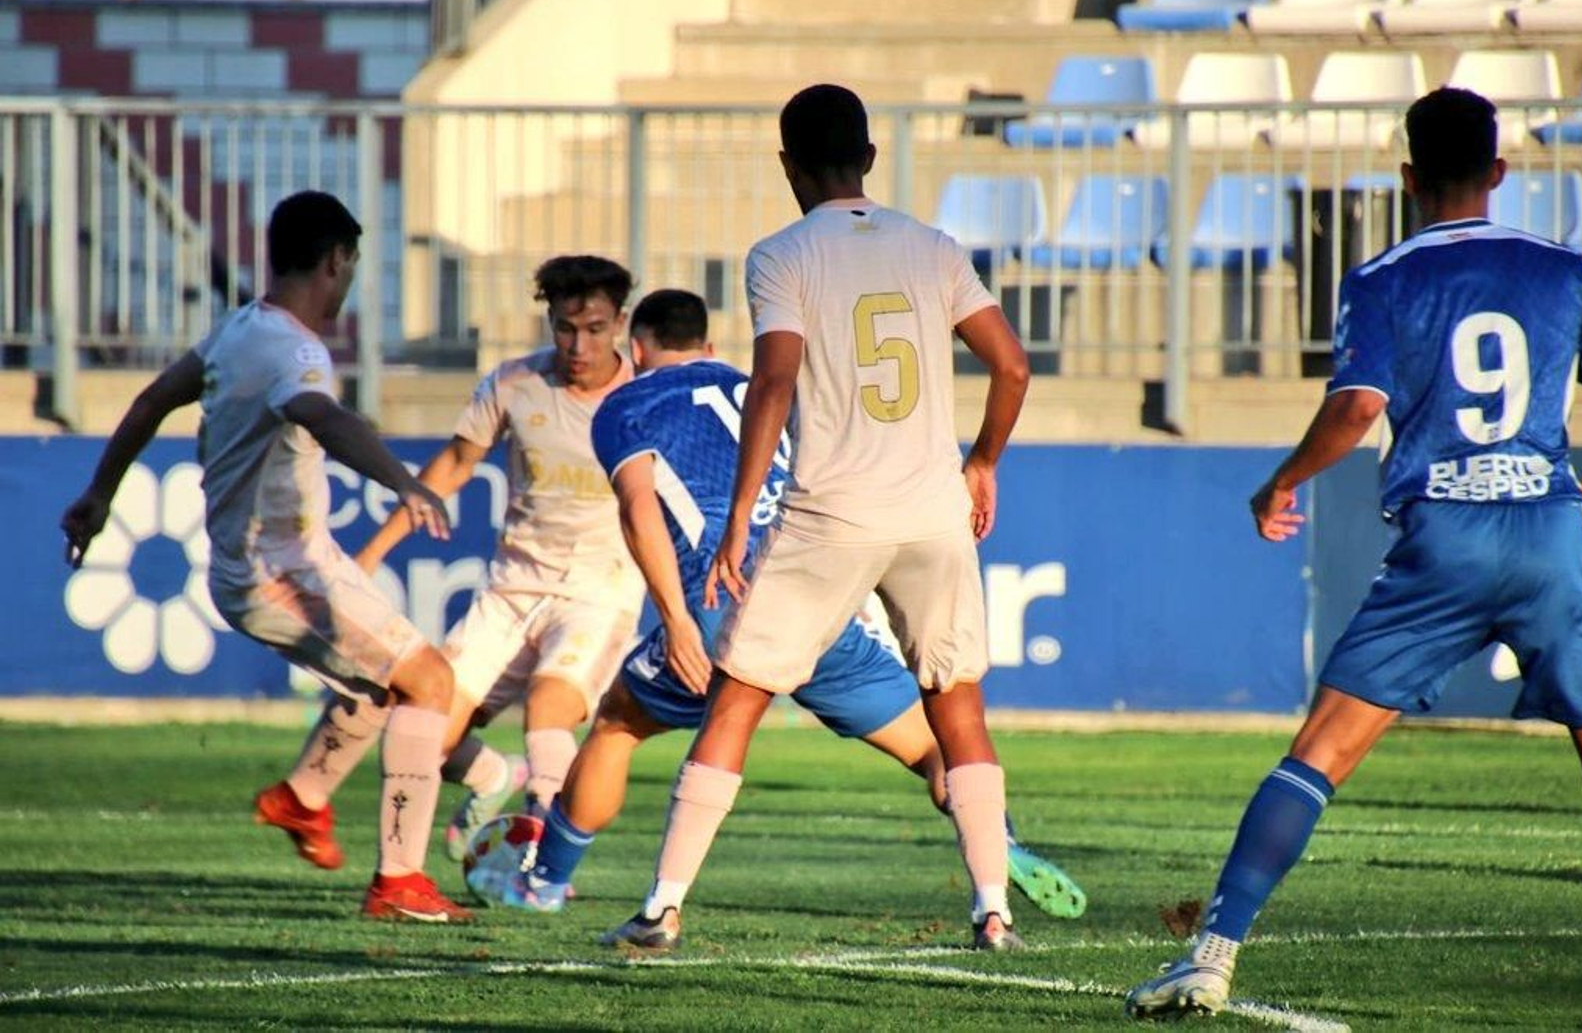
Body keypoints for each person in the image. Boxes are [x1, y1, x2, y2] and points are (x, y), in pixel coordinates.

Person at [1125, 87, 1582, 1019]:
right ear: (1501, 173)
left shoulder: (1383, 278)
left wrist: (1282, 480)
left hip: (1446, 539)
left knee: (1319, 754)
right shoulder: (1565, 269)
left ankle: (1212, 957)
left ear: (1409, 175)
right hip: (1549, 533)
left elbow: (1358, 408)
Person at [479, 289, 1082, 924]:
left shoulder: (623, 404)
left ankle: (550, 881)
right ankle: (998, 843)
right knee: (936, 748)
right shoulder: (756, 387)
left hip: (725, 601)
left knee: (619, 725)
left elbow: (637, 508)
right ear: (710, 348)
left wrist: (679, 621)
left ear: (637, 349)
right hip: (816, 587)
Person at [601, 84, 1034, 953]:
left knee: (736, 703)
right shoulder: (934, 246)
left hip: (829, 512)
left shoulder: (781, 255)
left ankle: (662, 908)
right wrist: (981, 461)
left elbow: (774, 382)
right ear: (870, 157)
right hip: (932, 512)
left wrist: (734, 529)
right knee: (960, 710)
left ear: (788, 166)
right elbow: (1014, 367)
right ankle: (993, 909)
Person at [60, 190, 472, 922]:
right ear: (336, 260)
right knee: (430, 683)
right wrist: (402, 479)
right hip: (277, 571)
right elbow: (321, 415)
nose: (349, 283)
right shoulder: (296, 350)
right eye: (351, 267)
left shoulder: (239, 329)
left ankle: (303, 797)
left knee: (380, 690)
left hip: (284, 562)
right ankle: (400, 881)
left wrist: (100, 494)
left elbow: (153, 398)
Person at [352, 255, 645, 859]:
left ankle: (540, 862)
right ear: (549, 322)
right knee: (422, 729)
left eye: (593, 329)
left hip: (599, 593)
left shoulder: (646, 395)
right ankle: (491, 777)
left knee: (549, 707)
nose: (578, 344)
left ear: (620, 322)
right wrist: (372, 554)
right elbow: (457, 463)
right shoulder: (516, 384)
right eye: (565, 327)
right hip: (511, 592)